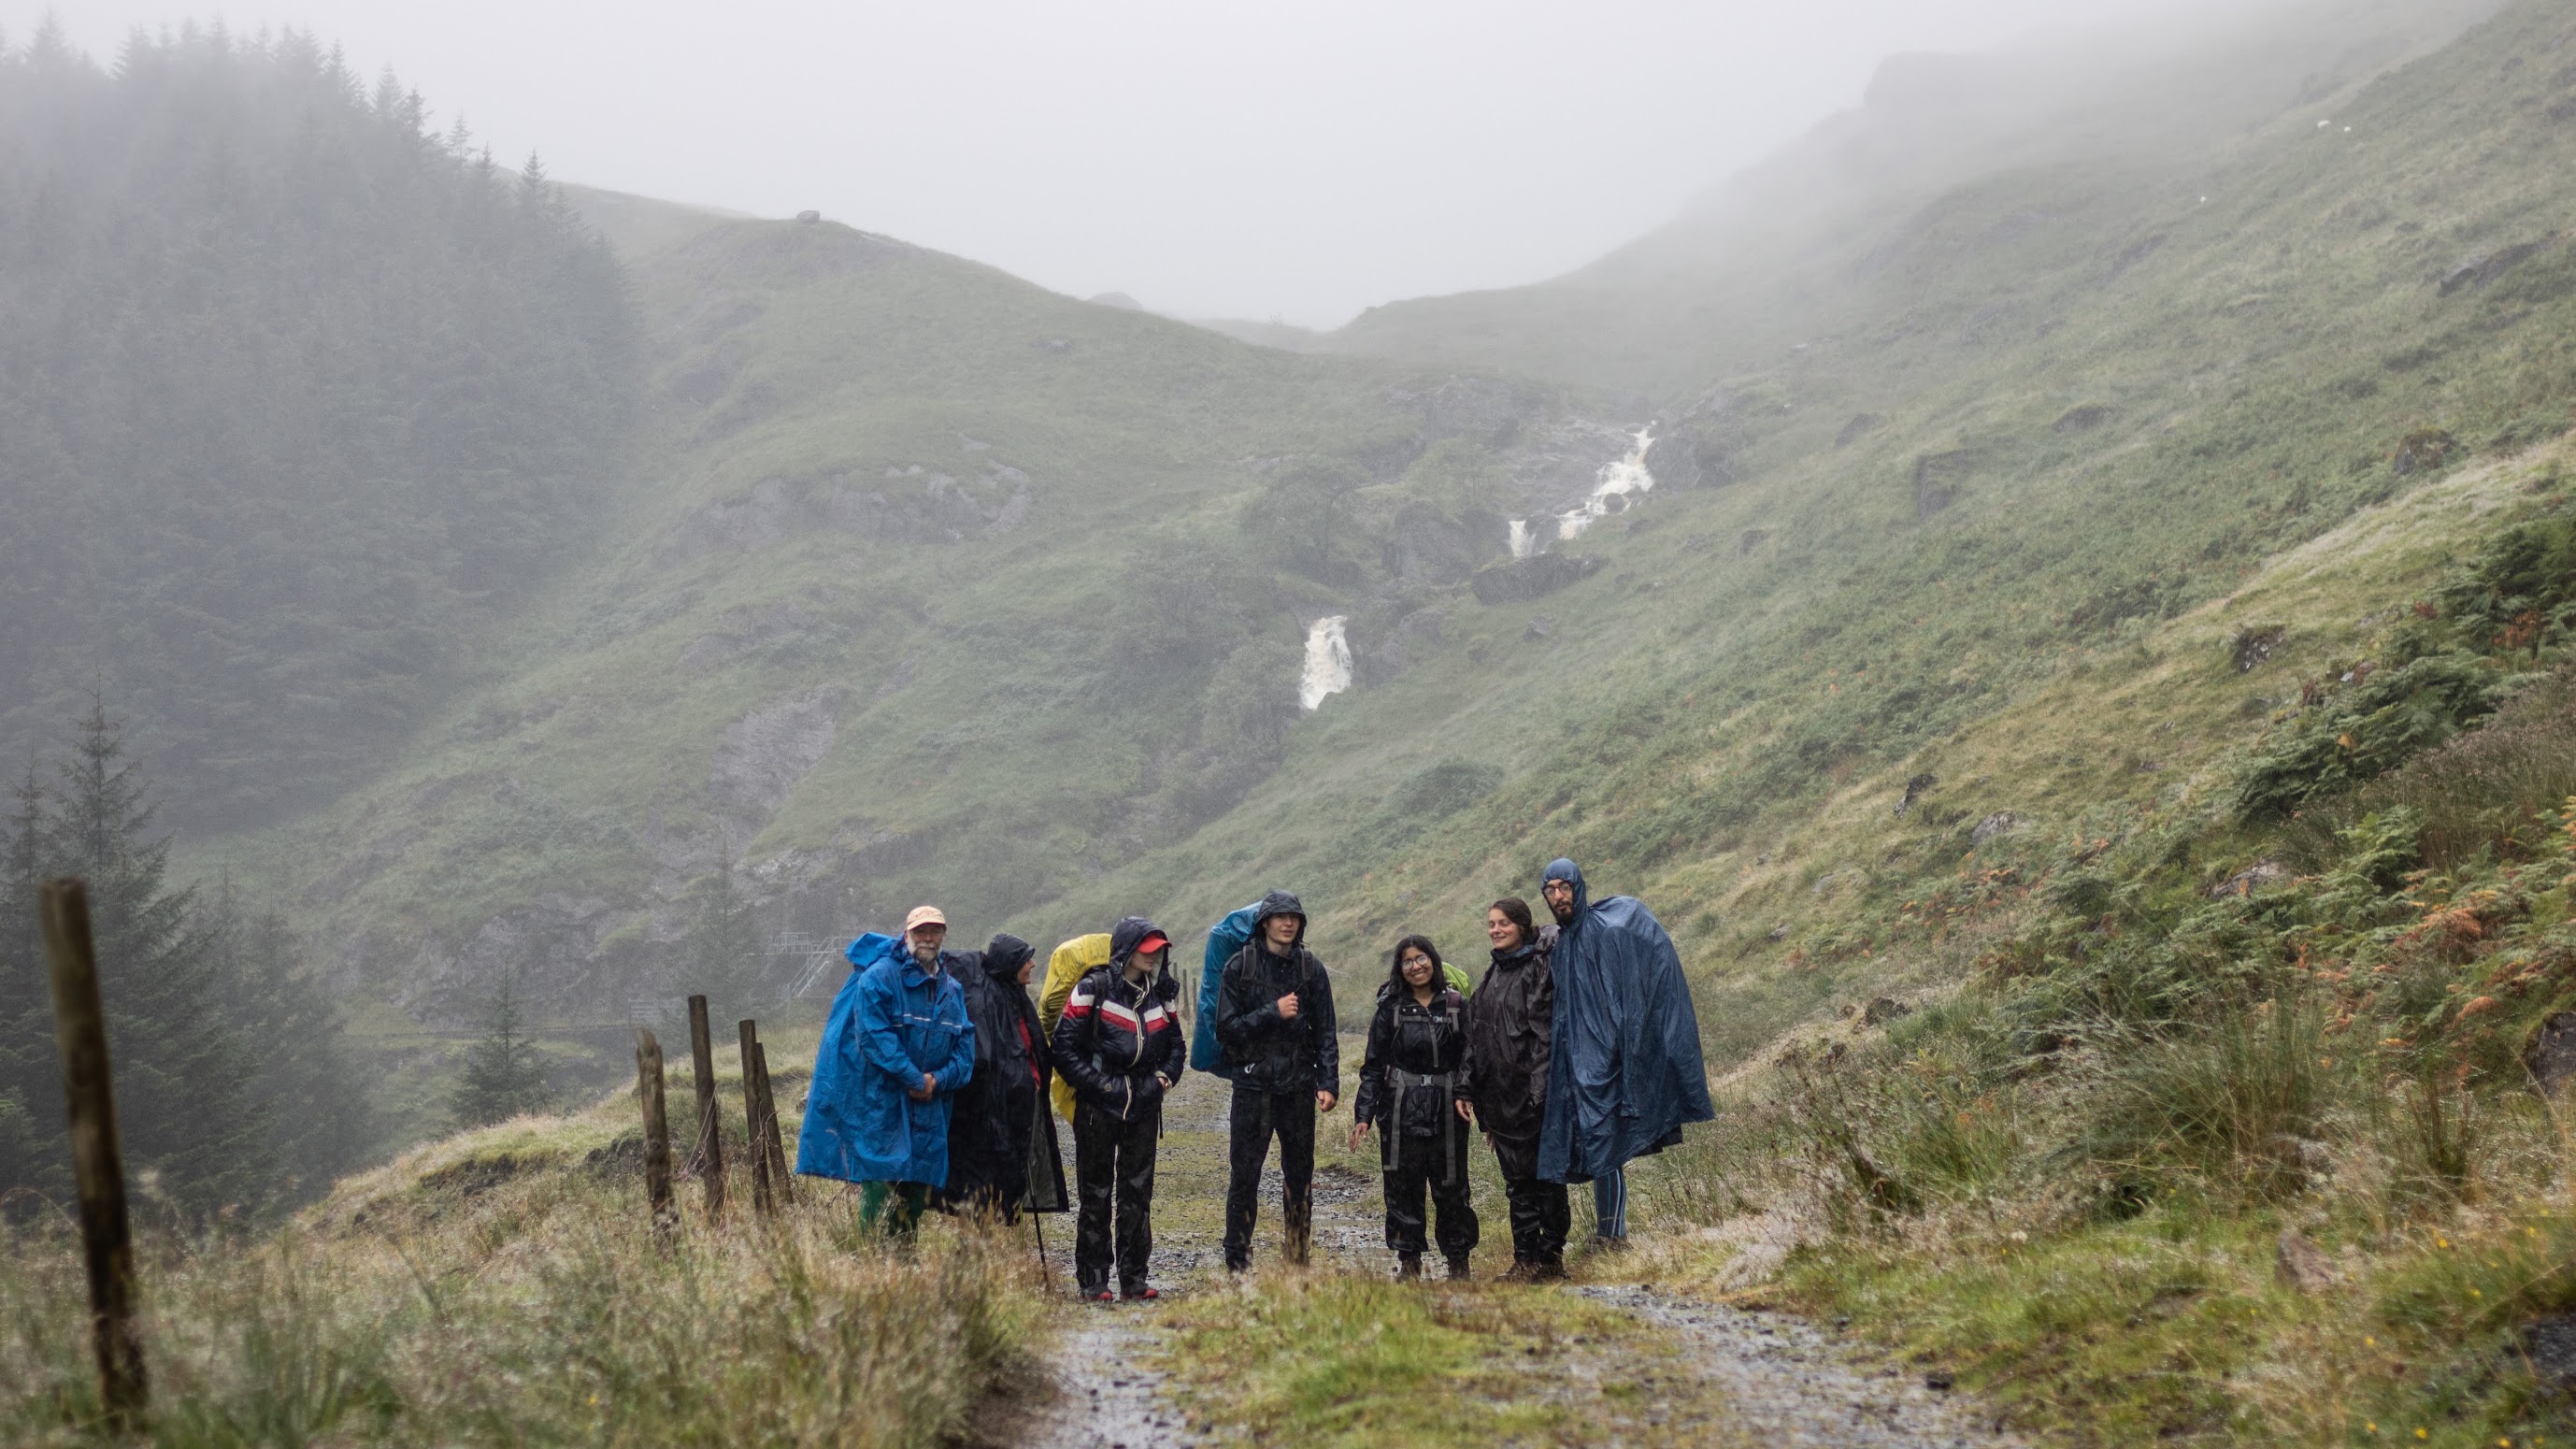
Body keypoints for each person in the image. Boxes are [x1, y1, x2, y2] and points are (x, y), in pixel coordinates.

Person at [1534, 859, 1713, 1249]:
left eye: (1564, 887)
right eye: (1551, 890)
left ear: (1578, 887)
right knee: (1598, 1144)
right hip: (1577, 1061)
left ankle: (1613, 1235)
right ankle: (1609, 1232)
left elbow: (1633, 988)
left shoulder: (1607, 930)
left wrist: (1623, 1048)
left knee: (1605, 1142)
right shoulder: (1563, 944)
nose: (1559, 896)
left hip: (1609, 1059)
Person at [796, 905, 978, 1241]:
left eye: (935, 931)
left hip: (929, 1108)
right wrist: (914, 1079)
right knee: (880, 1190)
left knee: (917, 1195)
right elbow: (874, 1037)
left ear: (943, 936)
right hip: (882, 1106)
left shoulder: (951, 991)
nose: (928, 938)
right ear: (906, 934)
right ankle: (869, 1265)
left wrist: (936, 1082)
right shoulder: (879, 976)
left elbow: (965, 1053)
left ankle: (903, 1267)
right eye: (921, 931)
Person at [1049, 916, 1185, 1302]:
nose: (1154, 956)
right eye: (1147, 949)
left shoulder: (1161, 994)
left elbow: (1177, 1048)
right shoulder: (1092, 989)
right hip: (1098, 1109)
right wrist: (1100, 1086)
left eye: (1158, 949)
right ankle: (1093, 1281)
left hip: (1144, 1105)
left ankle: (1134, 1279)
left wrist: (1161, 1081)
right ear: (1127, 950)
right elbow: (1063, 1050)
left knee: (1138, 1193)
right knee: (1095, 1193)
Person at [1212, 890, 1338, 1272]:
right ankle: (1237, 1259)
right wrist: (1273, 1012)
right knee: (1245, 1173)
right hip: (1252, 1086)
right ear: (1265, 922)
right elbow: (1226, 1028)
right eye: (1280, 917)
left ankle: (1298, 1256)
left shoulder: (1310, 968)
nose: (1288, 923)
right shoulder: (1240, 967)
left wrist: (1329, 1081)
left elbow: (1326, 1031)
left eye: (1294, 917)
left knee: (1300, 1174)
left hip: (1299, 1087)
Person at [1350, 934, 1479, 1281]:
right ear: (1399, 968)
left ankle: (1458, 1263)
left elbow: (1470, 1056)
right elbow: (1374, 1066)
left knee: (1451, 1185)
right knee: (1403, 1186)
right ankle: (1409, 1262)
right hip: (1399, 1109)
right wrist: (1363, 1115)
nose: (1415, 966)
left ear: (1433, 961)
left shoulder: (1454, 1005)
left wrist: (1464, 1092)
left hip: (1447, 1111)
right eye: (1407, 961)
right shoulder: (1389, 1008)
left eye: (1421, 958)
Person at [1460, 897, 1567, 1281]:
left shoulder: (1537, 970)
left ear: (1522, 924)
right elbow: (1475, 1038)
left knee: (1546, 1180)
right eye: (1491, 924)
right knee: (1516, 1184)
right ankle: (1525, 1260)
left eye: (1503, 923)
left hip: (1533, 1099)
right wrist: (1467, 1090)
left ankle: (1551, 1257)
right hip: (1499, 1102)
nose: (1496, 929)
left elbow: (1544, 1038)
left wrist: (1540, 1095)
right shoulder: (1492, 974)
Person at [937, 933, 1067, 1223]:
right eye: (1025, 960)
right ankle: (985, 1242)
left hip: (1014, 1104)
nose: (1032, 964)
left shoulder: (1011, 993)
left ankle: (998, 1236)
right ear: (1010, 964)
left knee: (1009, 1167)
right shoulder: (988, 999)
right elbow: (990, 1057)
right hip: (994, 1108)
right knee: (992, 1170)